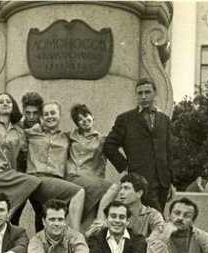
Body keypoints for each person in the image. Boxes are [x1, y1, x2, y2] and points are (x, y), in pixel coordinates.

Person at [103, 77, 175, 212]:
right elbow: (108, 146)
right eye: (140, 93)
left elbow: (168, 151)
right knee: (157, 217)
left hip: (163, 182)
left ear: (155, 93)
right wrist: (125, 166)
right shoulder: (125, 119)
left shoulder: (164, 119)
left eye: (147, 92)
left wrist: (171, 182)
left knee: (152, 218)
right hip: (141, 180)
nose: (144, 96)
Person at [25, 101, 85, 232]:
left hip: (57, 183)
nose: (49, 116)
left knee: (46, 216)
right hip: (35, 179)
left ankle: (43, 242)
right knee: (77, 192)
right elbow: (15, 129)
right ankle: (77, 236)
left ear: (60, 115)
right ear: (41, 117)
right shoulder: (31, 133)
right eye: (46, 114)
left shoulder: (67, 138)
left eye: (53, 113)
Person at [66, 104, 119, 225]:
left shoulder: (103, 139)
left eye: (86, 116)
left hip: (94, 184)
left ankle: (92, 229)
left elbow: (123, 136)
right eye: (79, 119)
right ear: (77, 124)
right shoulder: (70, 136)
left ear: (92, 117)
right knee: (113, 187)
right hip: (74, 177)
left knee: (87, 222)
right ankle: (100, 223)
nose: (84, 120)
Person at [85, 173, 164, 239]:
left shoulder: (152, 215)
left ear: (139, 193)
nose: (121, 193)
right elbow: (89, 234)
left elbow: (161, 233)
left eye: (126, 188)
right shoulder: (115, 213)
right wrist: (105, 225)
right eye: (121, 189)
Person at [10, 91, 44, 229]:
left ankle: (41, 242)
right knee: (14, 215)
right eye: (28, 112)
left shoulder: (45, 128)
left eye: (35, 113)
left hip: (38, 176)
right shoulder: (16, 127)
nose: (31, 116)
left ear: (40, 113)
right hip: (20, 175)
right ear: (23, 110)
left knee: (42, 215)